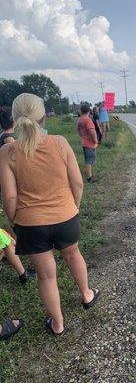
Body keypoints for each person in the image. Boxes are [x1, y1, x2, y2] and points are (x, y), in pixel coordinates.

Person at [0, 93, 99, 336]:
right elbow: (77, 183)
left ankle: (58, 324)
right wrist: (73, 208)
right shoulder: (60, 142)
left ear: (14, 119)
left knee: (46, 275)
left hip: (30, 225)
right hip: (66, 217)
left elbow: (10, 197)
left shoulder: (7, 152)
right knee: (74, 255)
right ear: (44, 117)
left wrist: (14, 222)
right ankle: (86, 294)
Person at [77, 104, 98, 183]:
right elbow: (92, 131)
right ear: (89, 111)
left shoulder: (80, 120)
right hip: (89, 143)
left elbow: (78, 131)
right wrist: (95, 140)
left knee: (88, 159)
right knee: (90, 160)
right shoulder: (88, 119)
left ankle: (90, 174)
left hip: (84, 142)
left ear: (82, 111)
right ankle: (89, 177)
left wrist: (83, 137)